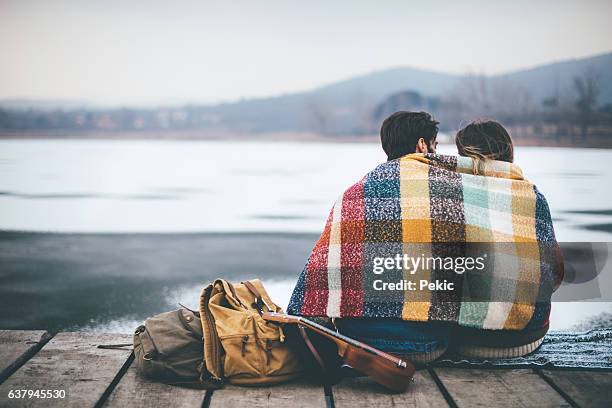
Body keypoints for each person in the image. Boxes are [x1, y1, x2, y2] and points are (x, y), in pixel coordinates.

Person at [287, 113, 562, 364]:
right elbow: (555, 275)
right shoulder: (469, 195)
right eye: (436, 147)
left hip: (359, 341)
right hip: (473, 341)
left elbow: (320, 272)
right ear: (422, 145)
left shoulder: (353, 193)